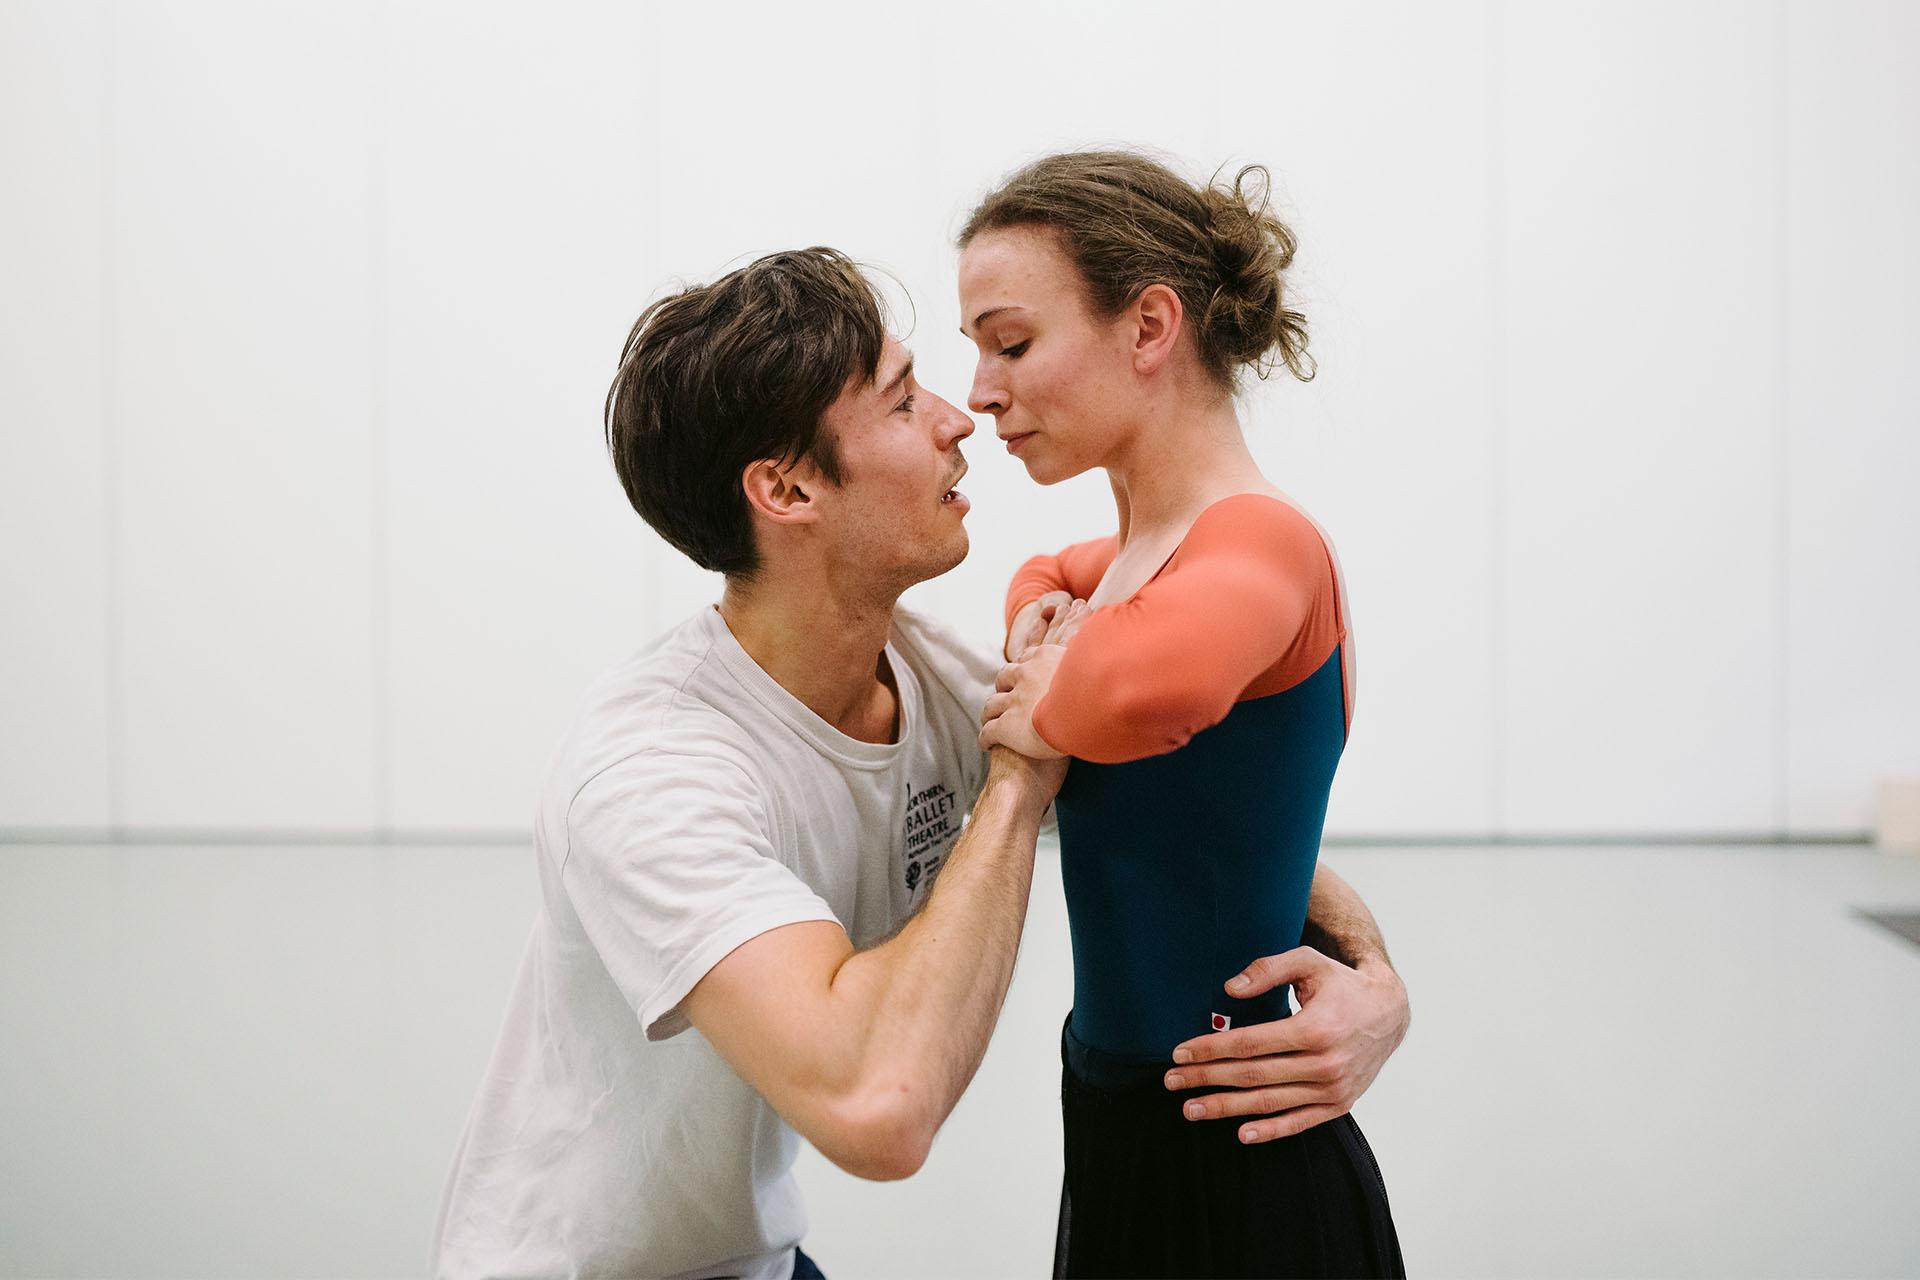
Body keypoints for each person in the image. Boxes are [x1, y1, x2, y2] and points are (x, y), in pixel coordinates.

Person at [431, 245, 1408, 1280]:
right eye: (902, 402)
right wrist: (1025, 775)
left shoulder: (939, 684)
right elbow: (879, 1108)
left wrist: (1374, 979)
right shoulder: (649, 776)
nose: (960, 415)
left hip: (758, 1260)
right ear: (789, 486)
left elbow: (1189, 831)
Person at [962, 150, 1407, 1277]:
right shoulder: (1137, 555)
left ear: (1150, 325)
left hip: (1245, 1153)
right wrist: (1038, 625)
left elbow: (1143, 690)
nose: (978, 390)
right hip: (1115, 1125)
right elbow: (1043, 571)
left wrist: (1053, 684)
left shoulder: (1261, 538)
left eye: (1010, 343)